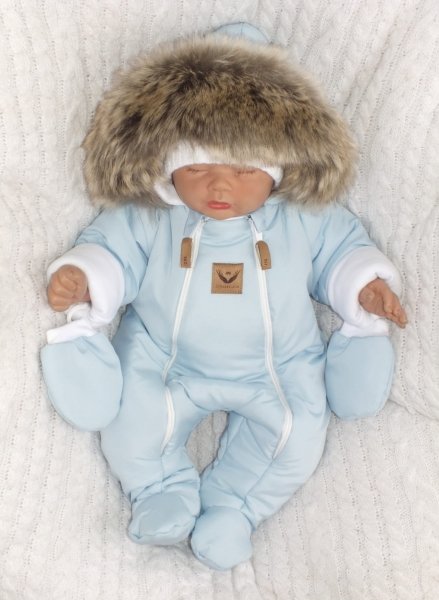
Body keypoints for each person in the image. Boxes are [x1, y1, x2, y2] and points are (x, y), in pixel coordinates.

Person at [41, 24, 407, 570]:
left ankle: (234, 509)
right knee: (132, 423)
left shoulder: (303, 216)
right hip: (166, 360)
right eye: (196, 167)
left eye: (243, 170)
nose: (219, 187)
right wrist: (84, 275)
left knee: (296, 438)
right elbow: (112, 249)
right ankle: (159, 490)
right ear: (168, 166)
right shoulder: (153, 216)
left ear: (277, 169)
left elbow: (341, 252)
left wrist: (364, 285)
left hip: (278, 366)